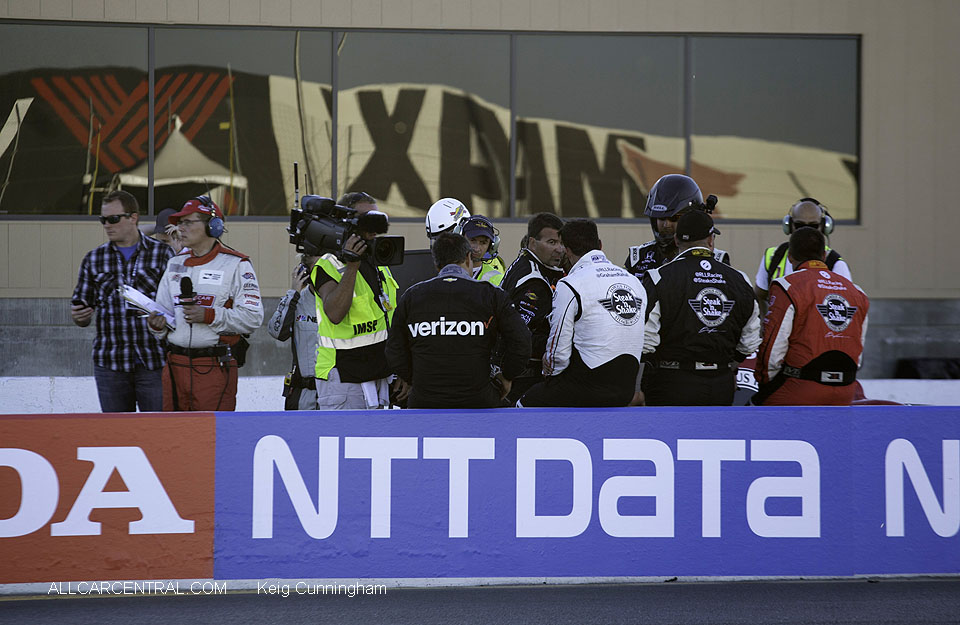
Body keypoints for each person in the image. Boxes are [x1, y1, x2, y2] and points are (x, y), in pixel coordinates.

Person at [385, 233, 531, 408]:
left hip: (425, 400)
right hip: (479, 400)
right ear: (468, 257)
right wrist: (506, 376)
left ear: (436, 262)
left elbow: (394, 349)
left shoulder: (412, 296)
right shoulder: (491, 295)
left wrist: (414, 378)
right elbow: (522, 341)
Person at [147, 196, 263, 411]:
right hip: (174, 366)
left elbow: (252, 318)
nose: (180, 228)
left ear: (213, 226)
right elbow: (162, 312)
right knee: (174, 437)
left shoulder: (237, 264)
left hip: (214, 368)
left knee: (212, 438)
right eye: (179, 222)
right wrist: (156, 326)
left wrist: (209, 315)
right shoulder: (174, 263)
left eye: (188, 222)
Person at [518, 220, 646, 408]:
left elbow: (558, 353)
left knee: (524, 402)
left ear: (567, 251)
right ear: (600, 244)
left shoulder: (570, 284)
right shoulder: (634, 282)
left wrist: (550, 376)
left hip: (588, 387)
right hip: (626, 388)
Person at [642, 210, 761, 406]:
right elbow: (750, 340)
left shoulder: (658, 277)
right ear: (711, 239)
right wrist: (730, 365)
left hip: (671, 382)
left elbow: (646, 339)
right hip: (721, 384)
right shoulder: (739, 279)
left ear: (677, 240)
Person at [71, 190, 174, 412]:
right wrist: (79, 316)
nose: (107, 225)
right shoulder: (93, 259)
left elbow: (176, 307)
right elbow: (81, 310)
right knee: (116, 437)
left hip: (154, 360)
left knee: (159, 434)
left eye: (113, 219)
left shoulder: (162, 254)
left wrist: (163, 321)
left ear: (133, 218)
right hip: (111, 363)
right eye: (103, 220)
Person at [753, 228, 869, 406]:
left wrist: (764, 381)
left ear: (790, 257)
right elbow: (858, 351)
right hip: (846, 389)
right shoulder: (857, 292)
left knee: (753, 408)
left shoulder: (787, 286)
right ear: (824, 255)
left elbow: (773, 348)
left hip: (800, 389)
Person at [310, 197, 406, 409]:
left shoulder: (378, 262)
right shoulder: (329, 265)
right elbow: (334, 313)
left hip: (379, 373)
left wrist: (399, 370)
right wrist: (352, 265)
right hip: (343, 378)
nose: (373, 228)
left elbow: (389, 320)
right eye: (366, 220)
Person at [498, 212, 565, 402]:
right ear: (532, 243)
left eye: (561, 243)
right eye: (552, 243)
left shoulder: (528, 264)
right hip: (524, 376)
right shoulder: (534, 281)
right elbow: (520, 335)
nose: (559, 249)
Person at [754, 197, 851, 318]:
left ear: (824, 227)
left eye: (813, 226)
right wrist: (765, 323)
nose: (806, 231)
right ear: (789, 226)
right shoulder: (773, 256)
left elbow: (847, 304)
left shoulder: (835, 263)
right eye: (799, 225)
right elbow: (759, 295)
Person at [625, 174, 731, 281]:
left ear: (692, 218)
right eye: (661, 218)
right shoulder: (638, 257)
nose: (666, 225)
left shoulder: (717, 259)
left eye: (674, 218)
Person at [268, 252, 321, 410]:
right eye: (317, 267)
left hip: (336, 393)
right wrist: (293, 292)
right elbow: (276, 332)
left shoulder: (344, 301)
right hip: (303, 394)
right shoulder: (297, 300)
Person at [460, 215, 505, 285]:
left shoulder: (497, 279)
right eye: (472, 240)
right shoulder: (445, 271)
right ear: (460, 238)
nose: (477, 248)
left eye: (483, 243)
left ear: (491, 246)